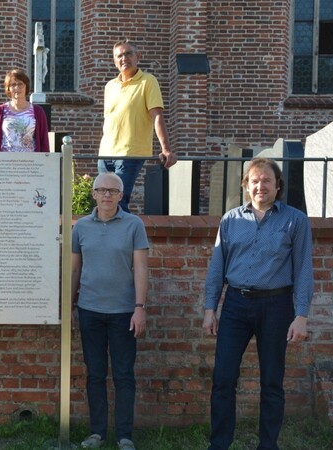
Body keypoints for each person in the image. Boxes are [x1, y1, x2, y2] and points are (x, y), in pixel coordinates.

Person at [203, 158, 313, 450]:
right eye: (254, 180)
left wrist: (301, 315)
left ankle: (268, 445)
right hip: (236, 305)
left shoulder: (296, 220)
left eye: (267, 180)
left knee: (272, 382)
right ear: (246, 185)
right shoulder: (230, 220)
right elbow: (217, 267)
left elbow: (303, 269)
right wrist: (209, 309)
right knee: (223, 378)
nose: (260, 185)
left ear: (278, 186)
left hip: (276, 306)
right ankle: (220, 443)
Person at [71, 172, 149, 450]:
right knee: (94, 373)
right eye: (101, 190)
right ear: (93, 194)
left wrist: (140, 308)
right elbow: (75, 269)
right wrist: (69, 306)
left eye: (112, 191)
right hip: (89, 310)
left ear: (121, 196)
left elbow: (140, 268)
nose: (106, 195)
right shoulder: (80, 227)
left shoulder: (133, 225)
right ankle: (97, 433)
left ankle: (124, 435)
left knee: (124, 374)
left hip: (123, 312)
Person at [98, 40, 176, 212]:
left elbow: (157, 116)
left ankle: (123, 238)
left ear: (138, 56)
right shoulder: (110, 86)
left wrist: (166, 149)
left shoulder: (148, 81)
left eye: (128, 54)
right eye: (119, 55)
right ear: (114, 61)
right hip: (105, 153)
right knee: (103, 201)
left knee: (118, 200)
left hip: (130, 152)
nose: (124, 58)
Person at [0, 68, 50, 152]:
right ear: (8, 88)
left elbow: (44, 141)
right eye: (13, 85)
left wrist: (45, 162)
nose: (17, 87)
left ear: (26, 86)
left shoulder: (37, 111)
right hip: (3, 162)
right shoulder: (0, 111)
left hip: (31, 163)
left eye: (20, 84)